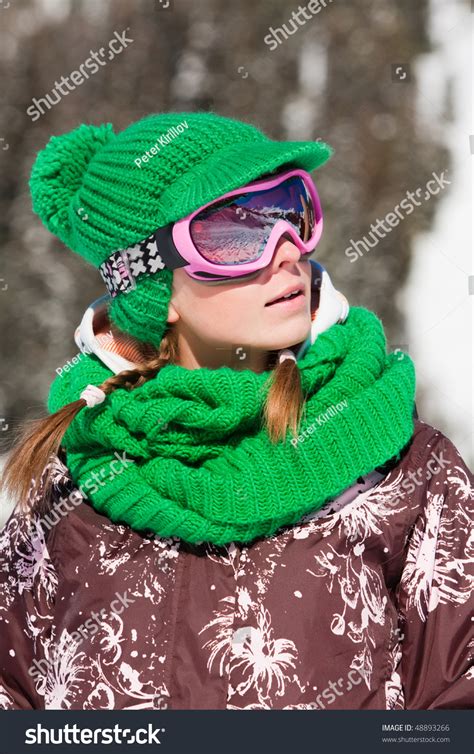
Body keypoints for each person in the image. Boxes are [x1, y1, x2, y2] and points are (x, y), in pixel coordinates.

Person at [0, 111, 472, 711]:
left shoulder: (408, 469)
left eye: (290, 210)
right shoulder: (71, 486)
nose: (285, 254)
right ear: (153, 286)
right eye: (234, 232)